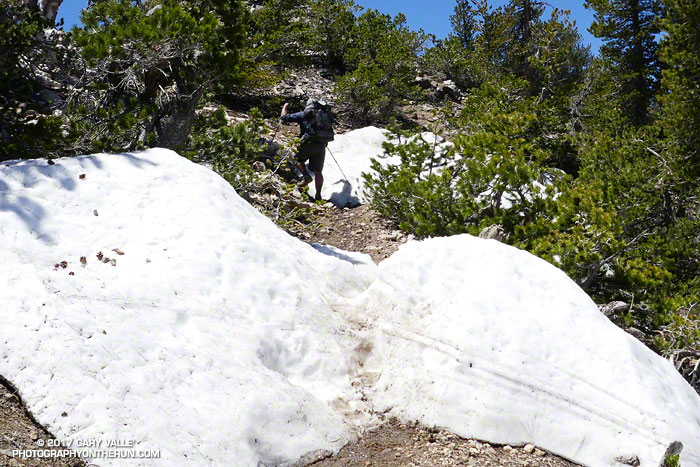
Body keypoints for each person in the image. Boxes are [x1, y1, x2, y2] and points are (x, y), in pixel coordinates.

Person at [280, 99, 330, 201]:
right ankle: (318, 195)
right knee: (318, 172)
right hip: (321, 144)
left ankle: (306, 175)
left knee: (296, 159)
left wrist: (285, 106)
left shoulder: (303, 114)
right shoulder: (324, 115)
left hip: (308, 143)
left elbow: (284, 118)